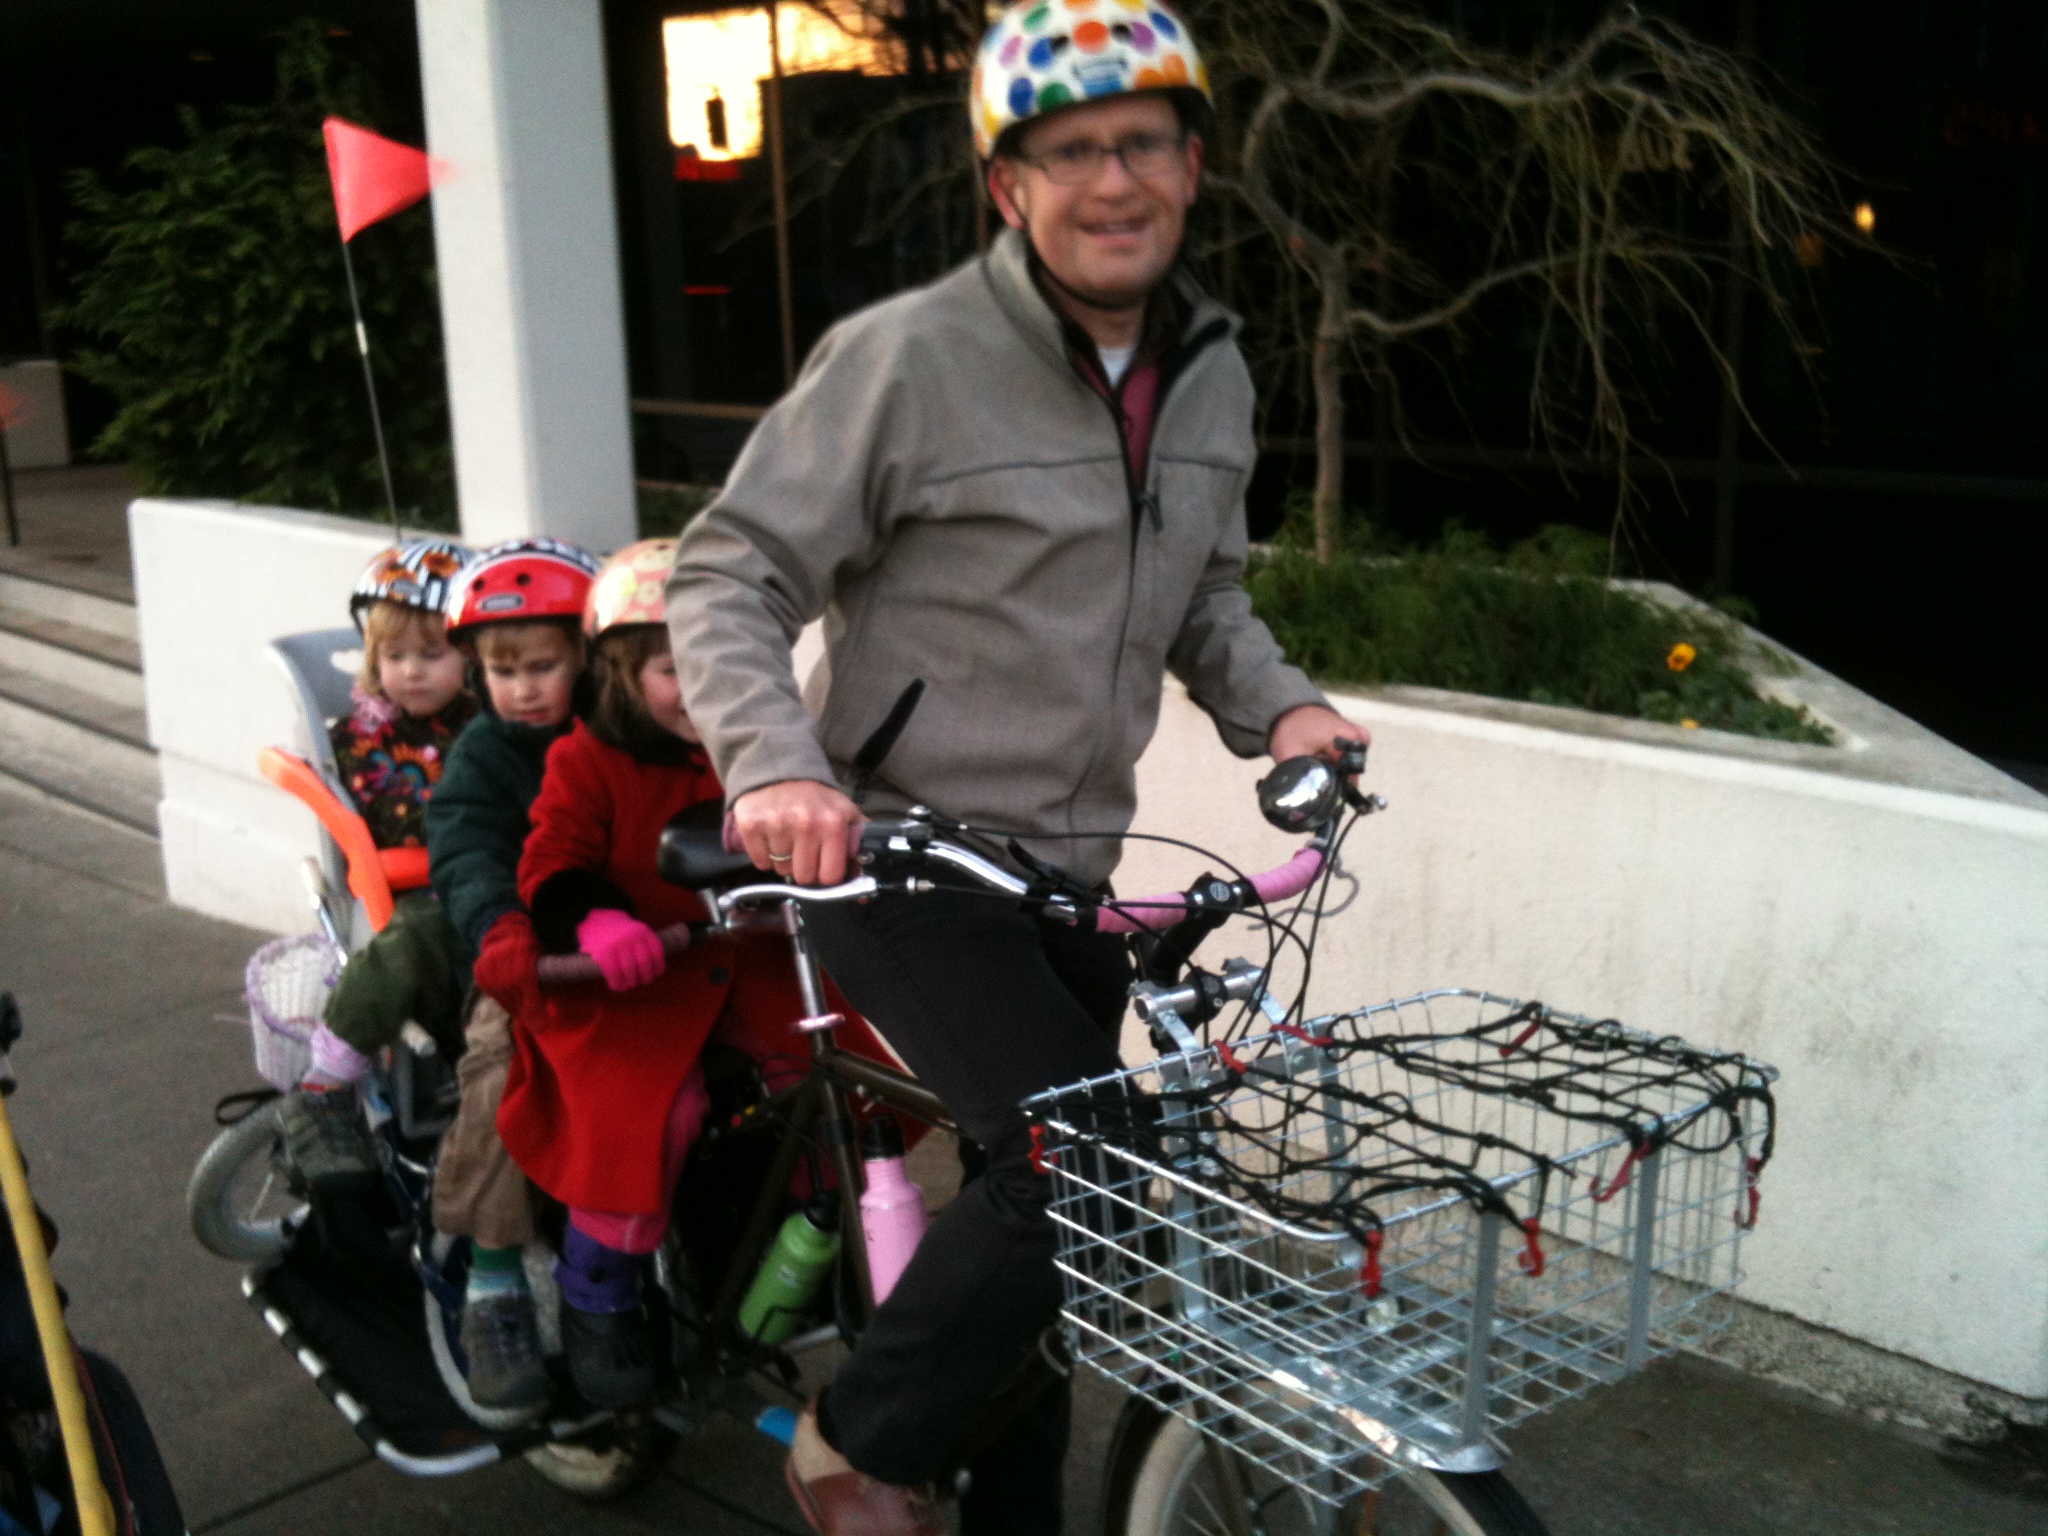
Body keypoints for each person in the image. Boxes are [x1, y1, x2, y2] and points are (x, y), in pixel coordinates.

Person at [665, 3, 1369, 1532]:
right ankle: (851, 1438)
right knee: (1082, 1159)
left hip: (1071, 870)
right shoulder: (908, 360)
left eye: (1138, 146)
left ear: (1191, 166)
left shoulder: (1216, 374)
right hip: (897, 855)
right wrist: (776, 766)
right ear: (1009, 189)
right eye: (1067, 154)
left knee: (1057, 1231)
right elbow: (728, 575)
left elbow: (1205, 599)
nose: (1109, 181)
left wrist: (1287, 712)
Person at [485, 541, 891, 1409]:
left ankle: (829, 1237)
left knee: (835, 1086)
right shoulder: (586, 759)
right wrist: (595, 917)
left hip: (751, 961)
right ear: (623, 674)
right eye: (675, 669)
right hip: (634, 979)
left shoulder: (763, 745)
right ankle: (599, 1291)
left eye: (723, 664)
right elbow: (550, 861)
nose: (703, 689)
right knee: (654, 1118)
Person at [424, 535, 602, 1425]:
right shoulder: (484, 758)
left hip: (623, 957)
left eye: (544, 665)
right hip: (521, 964)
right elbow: (463, 849)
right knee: (502, 1073)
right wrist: (500, 927)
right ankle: (492, 1275)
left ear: (587, 658)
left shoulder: (616, 735)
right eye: (502, 669)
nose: (524, 686)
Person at [281, 538, 478, 1195]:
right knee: (404, 951)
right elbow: (346, 795)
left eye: (432, 654)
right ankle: (324, 1084)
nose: (412, 672)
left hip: (490, 888)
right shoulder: (364, 737)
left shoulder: (491, 723)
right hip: (421, 892)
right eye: (394, 656)